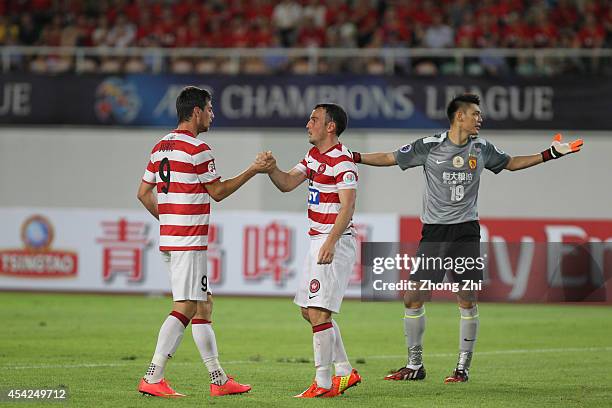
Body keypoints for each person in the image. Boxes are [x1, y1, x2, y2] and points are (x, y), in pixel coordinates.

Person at [351, 93, 583, 383]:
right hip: (435, 232)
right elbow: (391, 157)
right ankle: (414, 365)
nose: (480, 119)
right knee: (413, 297)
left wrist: (549, 154)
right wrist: (355, 157)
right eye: (475, 114)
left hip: (466, 231)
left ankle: (462, 369)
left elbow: (511, 163)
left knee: (466, 298)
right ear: (459, 116)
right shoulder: (429, 146)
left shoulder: (482, 148)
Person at [136, 86, 272, 397]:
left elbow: (143, 193)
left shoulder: (159, 147)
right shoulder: (198, 149)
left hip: (171, 238)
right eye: (210, 109)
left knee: (203, 305)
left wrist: (169, 219)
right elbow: (219, 191)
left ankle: (218, 379)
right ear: (196, 112)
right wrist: (254, 169)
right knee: (185, 307)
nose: (212, 114)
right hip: (188, 240)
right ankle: (153, 375)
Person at [259, 103, 362, 398]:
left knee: (318, 311)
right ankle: (345, 371)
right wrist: (271, 170)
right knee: (309, 310)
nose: (308, 124)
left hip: (334, 241)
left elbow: (348, 205)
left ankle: (324, 383)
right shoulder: (314, 156)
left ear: (331, 127)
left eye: (314, 119)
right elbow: (288, 182)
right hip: (318, 239)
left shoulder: (342, 160)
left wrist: (330, 241)